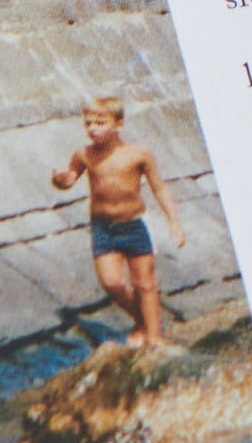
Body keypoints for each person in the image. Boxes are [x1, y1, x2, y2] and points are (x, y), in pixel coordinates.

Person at [51, 97, 185, 349]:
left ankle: (154, 337)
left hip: (134, 224)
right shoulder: (84, 154)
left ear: (119, 124)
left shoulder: (139, 153)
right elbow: (70, 178)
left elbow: (159, 188)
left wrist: (174, 221)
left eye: (100, 123)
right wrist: (60, 179)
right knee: (112, 283)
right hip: (103, 227)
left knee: (145, 284)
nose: (93, 128)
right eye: (88, 123)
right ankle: (142, 321)